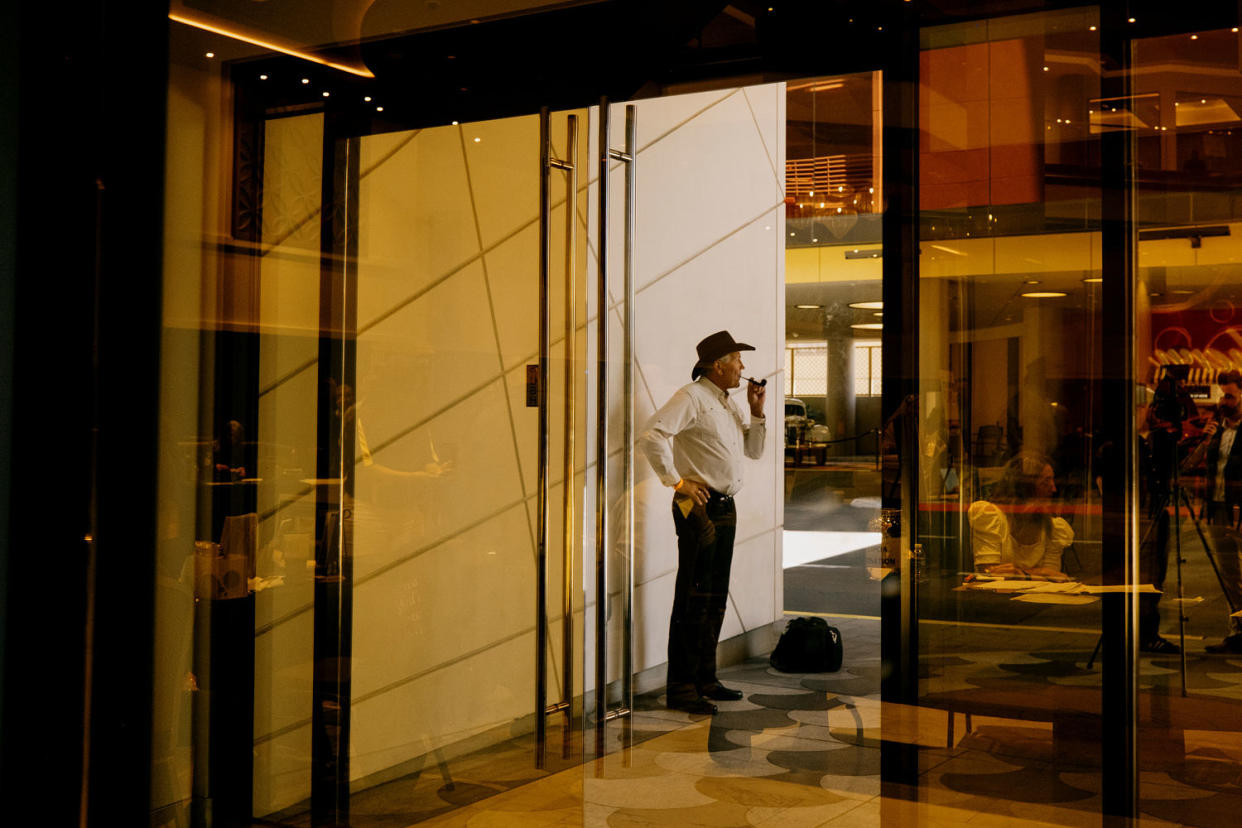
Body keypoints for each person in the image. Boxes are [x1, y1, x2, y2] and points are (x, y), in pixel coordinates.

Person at [638, 330, 766, 715]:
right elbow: (651, 435)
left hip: (724, 505)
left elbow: (754, 451)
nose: (743, 367)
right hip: (698, 506)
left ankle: (704, 679)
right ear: (718, 366)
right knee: (693, 598)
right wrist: (677, 482)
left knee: (713, 597)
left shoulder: (726, 402)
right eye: (737, 360)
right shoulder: (691, 396)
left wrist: (757, 412)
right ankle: (681, 688)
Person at [1181, 370, 1242, 653]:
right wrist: (1205, 439)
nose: (1224, 401)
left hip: (1239, 510)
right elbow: (1188, 465)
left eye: (1229, 395)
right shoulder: (1217, 430)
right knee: (1229, 575)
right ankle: (1237, 630)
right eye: (1222, 396)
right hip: (1217, 508)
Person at [968, 451, 1073, 580]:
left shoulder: (1054, 528)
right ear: (1024, 487)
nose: (1054, 489)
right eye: (1045, 482)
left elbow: (1053, 577)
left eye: (1053, 480)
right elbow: (989, 574)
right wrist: (1040, 572)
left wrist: (1021, 574)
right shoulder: (990, 516)